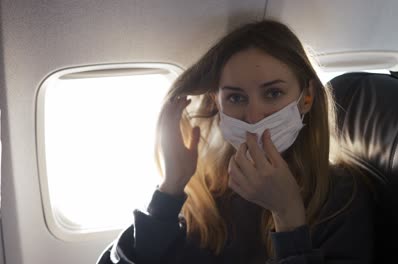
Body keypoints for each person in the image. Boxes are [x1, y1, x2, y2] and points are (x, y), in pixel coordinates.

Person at [97, 20, 374, 264]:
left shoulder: (341, 197)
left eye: (273, 93)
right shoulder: (210, 189)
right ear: (217, 103)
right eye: (236, 98)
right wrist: (171, 188)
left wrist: (288, 215)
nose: (253, 116)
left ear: (307, 98)